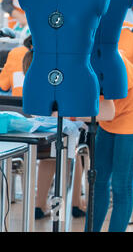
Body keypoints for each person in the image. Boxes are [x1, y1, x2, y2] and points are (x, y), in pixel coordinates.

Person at [79, 52, 133, 232]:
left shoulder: (101, 57)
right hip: (111, 115)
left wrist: (68, 114)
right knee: (98, 181)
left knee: (121, 184)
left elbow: (107, 112)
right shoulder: (77, 57)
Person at [22, 48, 88, 219]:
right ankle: (70, 208)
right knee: (71, 156)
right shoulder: (61, 71)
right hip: (63, 133)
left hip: (38, 134)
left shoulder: (30, 67)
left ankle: (39, 204)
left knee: (50, 159)